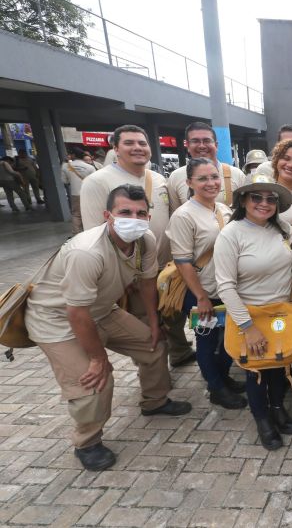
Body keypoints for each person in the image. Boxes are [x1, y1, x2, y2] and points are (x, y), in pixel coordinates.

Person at [25, 184, 191, 471]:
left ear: (148, 217)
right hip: (57, 321)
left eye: (141, 213)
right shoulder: (87, 252)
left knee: (153, 345)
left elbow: (148, 282)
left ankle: (155, 401)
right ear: (107, 215)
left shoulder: (145, 240)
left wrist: (153, 322)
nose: (134, 218)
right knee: (94, 380)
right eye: (125, 212)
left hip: (101, 310)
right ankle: (87, 442)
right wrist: (98, 357)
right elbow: (76, 314)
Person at [81, 125, 195, 368]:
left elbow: (174, 216)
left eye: (142, 143)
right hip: (132, 272)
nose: (137, 148)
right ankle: (155, 383)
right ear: (115, 148)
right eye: (129, 143)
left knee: (171, 314)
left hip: (165, 265)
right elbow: (93, 232)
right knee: (146, 327)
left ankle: (180, 351)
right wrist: (121, 276)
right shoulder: (97, 182)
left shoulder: (158, 179)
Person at [215, 172, 292, 449]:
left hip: (280, 313)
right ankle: (262, 419)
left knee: (278, 364)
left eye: (270, 198)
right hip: (249, 315)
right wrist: (247, 327)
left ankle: (277, 407)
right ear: (243, 199)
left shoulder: (281, 228)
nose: (264, 203)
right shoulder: (231, 234)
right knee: (256, 370)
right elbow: (225, 286)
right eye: (256, 197)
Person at [166, 158, 245, 409]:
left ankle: (223, 377)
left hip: (226, 288)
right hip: (202, 292)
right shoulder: (183, 215)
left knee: (228, 337)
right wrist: (200, 297)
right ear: (189, 183)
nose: (210, 183)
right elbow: (182, 260)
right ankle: (215, 387)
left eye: (214, 177)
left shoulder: (222, 209)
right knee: (207, 339)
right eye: (202, 178)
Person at [166, 122, 247, 210]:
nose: (201, 146)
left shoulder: (237, 175)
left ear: (216, 145)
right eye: (195, 141)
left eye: (206, 141)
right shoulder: (176, 177)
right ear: (188, 146)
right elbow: (175, 215)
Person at [61, 150, 96, 234]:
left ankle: (77, 235)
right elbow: (96, 182)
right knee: (89, 213)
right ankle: (90, 233)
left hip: (75, 194)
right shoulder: (90, 167)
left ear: (73, 155)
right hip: (89, 194)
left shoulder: (66, 166)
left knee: (76, 215)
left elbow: (64, 181)